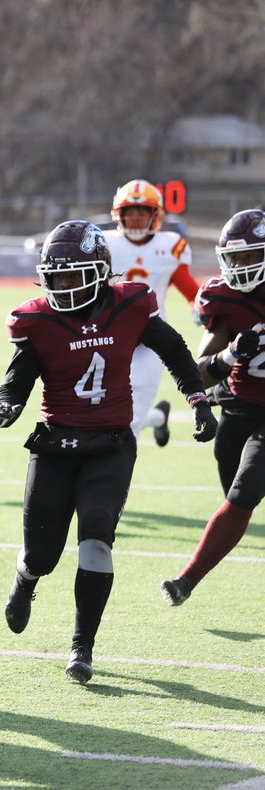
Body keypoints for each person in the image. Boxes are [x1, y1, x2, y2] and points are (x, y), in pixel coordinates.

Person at [0, 220, 216, 684]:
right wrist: (6, 402)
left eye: (74, 276)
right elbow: (19, 376)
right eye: (56, 277)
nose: (64, 285)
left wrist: (197, 399)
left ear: (100, 271)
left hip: (109, 444)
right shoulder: (37, 320)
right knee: (42, 555)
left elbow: (174, 350)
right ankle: (26, 580)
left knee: (96, 534)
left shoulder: (130, 305)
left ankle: (82, 647)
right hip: (54, 445)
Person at [161, 209, 265, 606]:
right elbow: (199, 373)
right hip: (238, 405)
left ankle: (185, 582)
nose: (238, 267)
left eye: (248, 257)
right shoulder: (224, 299)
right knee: (231, 475)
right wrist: (231, 354)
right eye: (233, 258)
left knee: (245, 489)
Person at [107, 179, 198, 446]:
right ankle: (158, 417)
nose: (135, 219)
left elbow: (188, 287)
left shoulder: (170, 245)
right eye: (129, 212)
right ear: (118, 215)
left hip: (152, 338)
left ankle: (113, 483)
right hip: (110, 334)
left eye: (141, 212)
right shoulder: (104, 244)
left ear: (155, 215)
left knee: (130, 420)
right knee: (104, 409)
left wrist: (202, 308)